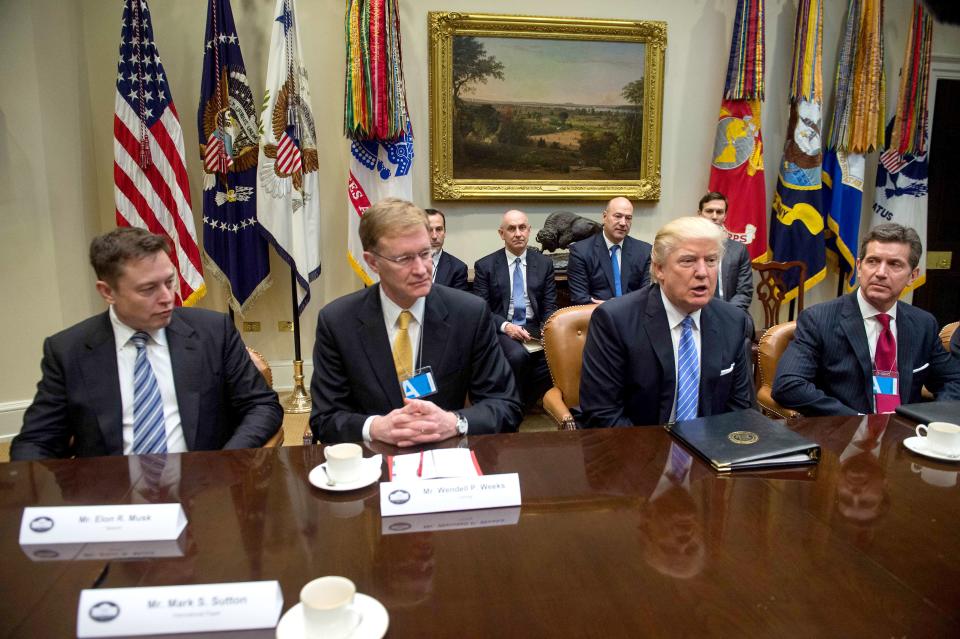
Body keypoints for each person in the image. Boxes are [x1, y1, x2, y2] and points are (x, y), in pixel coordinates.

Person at [11, 227, 282, 460]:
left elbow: (262, 406)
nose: (167, 297)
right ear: (107, 292)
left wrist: (222, 463)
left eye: (169, 282)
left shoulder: (213, 332)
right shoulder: (68, 350)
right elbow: (35, 442)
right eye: (148, 289)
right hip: (110, 501)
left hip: (203, 490)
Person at [310, 198, 522, 445]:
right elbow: (325, 419)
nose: (422, 269)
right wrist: (375, 427)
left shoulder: (469, 313)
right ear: (372, 262)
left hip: (446, 456)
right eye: (404, 259)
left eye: (425, 254)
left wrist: (454, 422)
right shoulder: (337, 322)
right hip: (372, 461)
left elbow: (506, 405)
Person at [579, 216, 753, 428]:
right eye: (688, 261)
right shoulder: (614, 320)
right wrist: (660, 458)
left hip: (711, 451)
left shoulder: (732, 321)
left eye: (711, 260)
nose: (702, 273)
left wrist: (714, 455)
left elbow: (740, 408)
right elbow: (603, 414)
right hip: (636, 451)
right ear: (659, 269)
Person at [772, 223, 960, 415]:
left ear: (912, 276)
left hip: (908, 436)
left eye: (894, 264)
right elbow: (788, 385)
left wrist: (932, 420)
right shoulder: (818, 319)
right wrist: (858, 422)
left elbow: (954, 379)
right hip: (845, 435)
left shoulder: (923, 324)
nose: (880, 273)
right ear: (859, 267)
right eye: (873, 261)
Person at [473, 210, 557, 407]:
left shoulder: (544, 264)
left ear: (529, 231)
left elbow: (549, 305)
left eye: (522, 228)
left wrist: (547, 331)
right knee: (519, 356)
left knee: (556, 356)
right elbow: (482, 309)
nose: (518, 233)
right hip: (504, 329)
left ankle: (521, 402)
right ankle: (514, 407)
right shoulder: (485, 266)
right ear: (502, 234)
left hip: (535, 327)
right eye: (511, 229)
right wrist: (506, 327)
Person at [567, 196, 652, 304]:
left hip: (634, 317)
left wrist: (622, 307)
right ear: (604, 216)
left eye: (628, 218)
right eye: (618, 216)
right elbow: (579, 298)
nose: (623, 223)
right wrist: (609, 308)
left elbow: (648, 294)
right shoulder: (581, 251)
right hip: (596, 316)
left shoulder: (644, 251)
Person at [697, 192, 753, 312]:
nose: (714, 216)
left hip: (731, 312)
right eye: (709, 211)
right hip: (696, 312)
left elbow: (744, 292)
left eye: (719, 212)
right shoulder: (688, 247)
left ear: (725, 216)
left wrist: (726, 314)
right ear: (699, 214)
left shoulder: (738, 250)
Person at [424, 208, 468, 291]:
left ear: (445, 233)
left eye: (439, 229)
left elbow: (456, 302)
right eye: (429, 230)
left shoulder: (457, 268)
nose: (434, 236)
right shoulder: (406, 263)